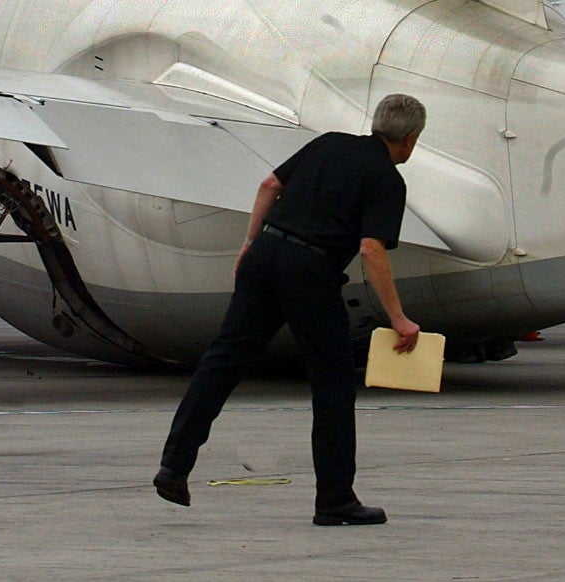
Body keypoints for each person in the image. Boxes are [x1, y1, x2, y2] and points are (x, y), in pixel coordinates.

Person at [154, 94, 426, 527]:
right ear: (410, 140)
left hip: (266, 253)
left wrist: (249, 243)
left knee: (224, 360)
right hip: (311, 269)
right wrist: (398, 318)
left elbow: (269, 186)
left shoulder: (330, 142)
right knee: (333, 381)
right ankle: (334, 499)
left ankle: (174, 465)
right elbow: (372, 248)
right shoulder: (386, 178)